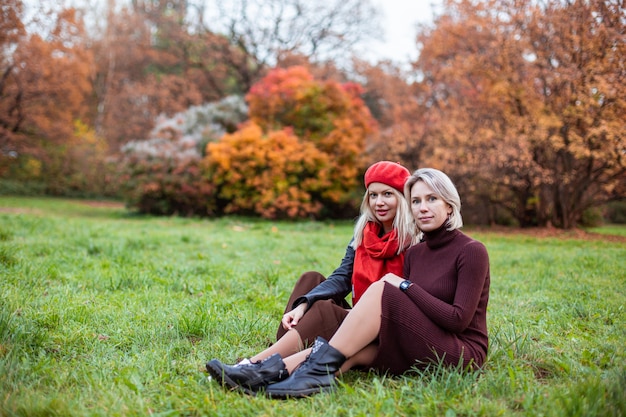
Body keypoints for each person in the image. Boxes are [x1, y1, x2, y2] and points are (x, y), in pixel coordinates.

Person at [261, 167, 491, 398]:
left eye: (432, 199)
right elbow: (348, 278)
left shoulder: (471, 251)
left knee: (383, 288)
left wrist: (404, 285)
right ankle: (269, 372)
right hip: (420, 335)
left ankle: (298, 369)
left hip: (461, 352)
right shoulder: (416, 254)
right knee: (354, 351)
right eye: (416, 201)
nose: (423, 207)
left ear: (449, 205)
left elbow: (458, 320)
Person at [205, 161, 417, 394]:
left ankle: (255, 365)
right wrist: (304, 304)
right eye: (373, 195)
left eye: (388, 194)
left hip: (380, 326)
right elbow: (342, 277)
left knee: (325, 310)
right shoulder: (364, 232)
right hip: (355, 318)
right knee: (311, 280)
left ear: (402, 197)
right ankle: (291, 351)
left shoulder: (415, 240)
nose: (379, 202)